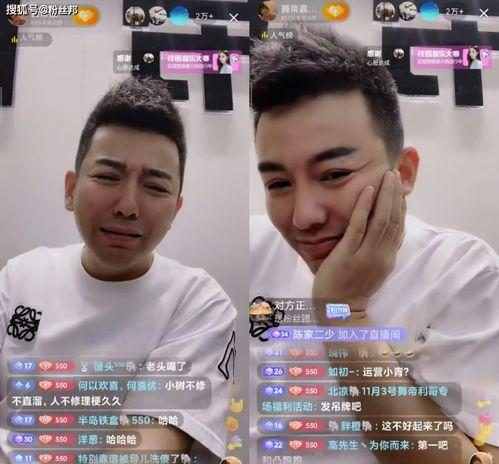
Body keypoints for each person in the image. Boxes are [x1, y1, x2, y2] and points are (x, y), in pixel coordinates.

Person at [250, 28, 499, 463]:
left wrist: (345, 312)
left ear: (404, 173)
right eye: (278, 184)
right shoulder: (251, 251)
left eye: (334, 175)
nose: (304, 216)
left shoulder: (461, 271)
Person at [0, 77, 237, 463]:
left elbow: (145, 448)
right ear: (71, 190)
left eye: (155, 187)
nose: (128, 206)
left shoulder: (198, 302)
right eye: (108, 177)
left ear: (176, 209)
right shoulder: (20, 276)